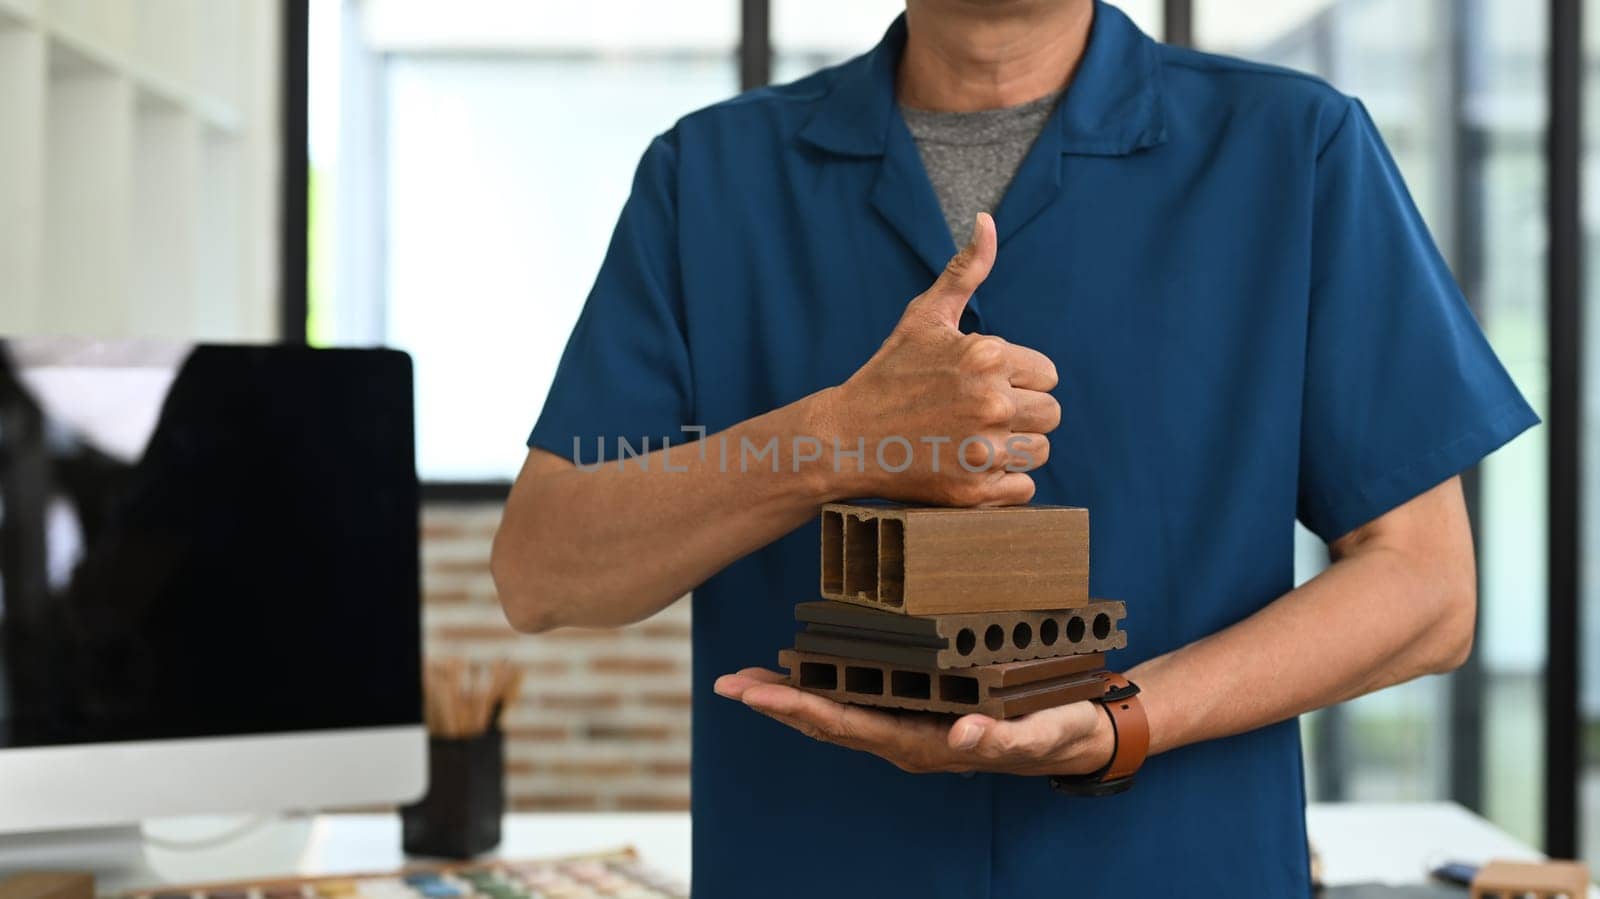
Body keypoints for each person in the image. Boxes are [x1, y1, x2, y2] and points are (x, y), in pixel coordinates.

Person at [491, 0, 1537, 894]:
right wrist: (832, 440)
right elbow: (543, 570)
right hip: (814, 860)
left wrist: (1122, 718)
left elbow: (1424, 586)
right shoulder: (706, 178)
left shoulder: (1293, 149)